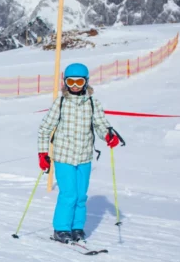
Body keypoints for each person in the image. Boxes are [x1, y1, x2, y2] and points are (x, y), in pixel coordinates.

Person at [37, 63, 122, 243]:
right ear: (65, 82)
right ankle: (61, 229)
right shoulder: (60, 103)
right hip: (64, 156)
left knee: (81, 195)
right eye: (71, 81)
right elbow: (45, 128)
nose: (75, 85)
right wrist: (42, 153)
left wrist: (107, 134)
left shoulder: (92, 103)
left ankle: (77, 228)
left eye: (79, 81)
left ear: (86, 82)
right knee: (69, 194)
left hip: (84, 156)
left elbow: (100, 125)